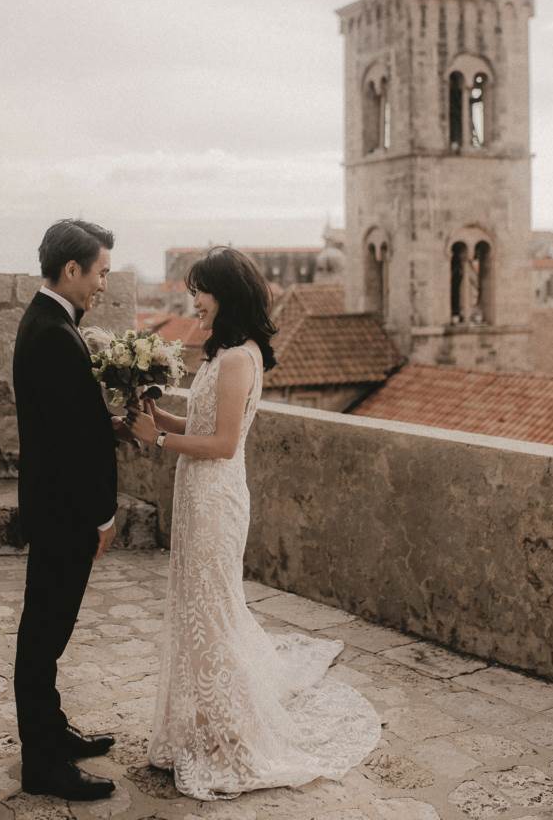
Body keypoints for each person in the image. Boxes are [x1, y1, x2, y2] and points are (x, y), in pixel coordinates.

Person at [131, 246, 381, 801]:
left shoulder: (240, 359)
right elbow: (202, 421)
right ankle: (210, 719)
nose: (192, 300)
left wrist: (161, 440)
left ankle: (234, 729)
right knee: (199, 604)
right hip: (198, 493)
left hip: (215, 496)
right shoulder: (225, 355)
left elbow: (221, 444)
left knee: (212, 607)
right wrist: (152, 412)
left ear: (227, 296)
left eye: (201, 290)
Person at [13, 218, 123, 802]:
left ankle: (52, 734)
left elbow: (70, 422)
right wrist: (103, 515)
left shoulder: (49, 321)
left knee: (47, 634)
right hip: (64, 513)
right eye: (100, 272)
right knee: (43, 639)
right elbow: (74, 447)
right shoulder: (54, 333)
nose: (104, 284)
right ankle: (43, 766)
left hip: (54, 507)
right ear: (72, 269)